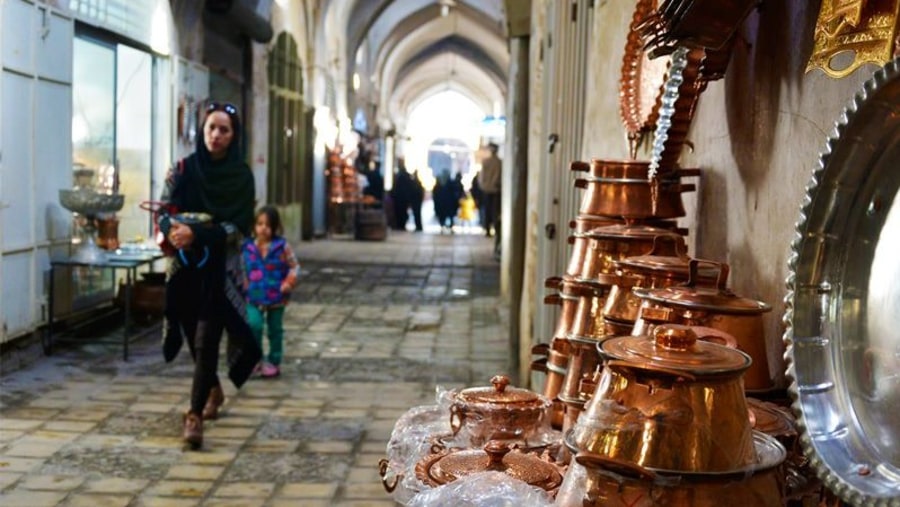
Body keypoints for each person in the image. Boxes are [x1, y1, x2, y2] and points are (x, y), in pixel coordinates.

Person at [158, 101, 261, 449]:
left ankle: (193, 415)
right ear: (202, 131)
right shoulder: (183, 169)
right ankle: (213, 388)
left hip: (220, 270)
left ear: (234, 136)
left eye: (224, 130)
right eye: (211, 129)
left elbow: (239, 226)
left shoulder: (241, 176)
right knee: (190, 335)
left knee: (207, 342)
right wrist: (171, 231)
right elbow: (163, 210)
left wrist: (198, 234)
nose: (216, 135)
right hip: (184, 268)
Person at [242, 206, 300, 379]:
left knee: (275, 330)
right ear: (254, 226)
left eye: (268, 225)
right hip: (253, 296)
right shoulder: (247, 247)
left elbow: (294, 266)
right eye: (259, 224)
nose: (263, 228)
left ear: (275, 227)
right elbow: (241, 269)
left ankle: (274, 361)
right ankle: (255, 359)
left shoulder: (281, 247)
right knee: (254, 325)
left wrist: (288, 283)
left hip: (277, 296)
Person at [479, 143, 502, 237]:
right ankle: (496, 230)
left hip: (487, 189)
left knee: (487, 210)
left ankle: (488, 230)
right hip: (496, 189)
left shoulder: (486, 162)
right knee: (495, 211)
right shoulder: (499, 162)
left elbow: (482, 176)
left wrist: (483, 185)